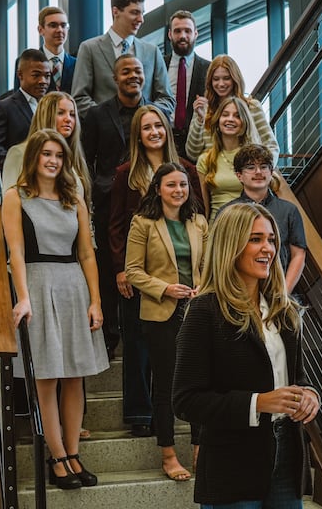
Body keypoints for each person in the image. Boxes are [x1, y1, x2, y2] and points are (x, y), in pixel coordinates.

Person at [173, 202, 320, 507]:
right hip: (232, 465)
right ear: (230, 245)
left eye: (271, 240)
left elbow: (299, 379)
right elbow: (186, 400)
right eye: (255, 239)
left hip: (287, 457)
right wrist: (258, 402)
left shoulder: (285, 310)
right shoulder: (204, 311)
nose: (268, 248)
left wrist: (309, 395)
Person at [1, 129, 109, 490]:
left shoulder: (73, 198)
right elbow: (15, 252)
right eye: (46, 154)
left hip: (73, 285)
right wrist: (23, 296)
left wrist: (95, 300)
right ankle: (57, 455)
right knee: (47, 379)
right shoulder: (15, 197)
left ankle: (74, 453)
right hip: (38, 282)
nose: (53, 161)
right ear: (34, 157)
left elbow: (87, 254)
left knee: (75, 377)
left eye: (59, 156)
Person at [108, 106, 201, 435]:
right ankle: (139, 414)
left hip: (183, 276)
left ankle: (183, 415)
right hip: (141, 273)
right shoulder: (126, 172)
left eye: (158, 126)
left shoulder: (187, 169)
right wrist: (121, 268)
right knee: (137, 344)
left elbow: (197, 216)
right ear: (138, 134)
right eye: (146, 127)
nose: (154, 132)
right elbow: (116, 224)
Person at [125, 162, 206, 482]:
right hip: (161, 314)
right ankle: (169, 453)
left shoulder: (199, 222)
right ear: (157, 188)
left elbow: (210, 263)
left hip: (197, 310)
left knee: (201, 381)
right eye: (171, 185)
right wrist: (165, 288)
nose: (178, 191)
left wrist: (204, 287)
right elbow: (133, 270)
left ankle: (200, 448)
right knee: (166, 384)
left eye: (183, 185)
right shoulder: (143, 223)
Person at [81, 54, 156, 362]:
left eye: (137, 71)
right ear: (115, 77)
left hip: (144, 201)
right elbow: (85, 157)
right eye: (126, 71)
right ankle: (111, 337)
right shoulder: (97, 115)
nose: (133, 76)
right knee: (112, 270)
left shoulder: (152, 114)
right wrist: (95, 189)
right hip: (109, 200)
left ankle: (145, 335)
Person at [70, 0, 174, 114]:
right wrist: (107, 120)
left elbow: (167, 99)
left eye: (142, 13)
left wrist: (147, 117)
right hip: (104, 131)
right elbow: (80, 98)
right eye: (135, 13)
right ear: (116, 11)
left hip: (143, 130)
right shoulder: (89, 48)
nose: (141, 19)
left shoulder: (152, 51)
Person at [225, 143, 306, 292]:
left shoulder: (289, 210)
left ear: (271, 172)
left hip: (279, 290)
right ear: (239, 175)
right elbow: (221, 255)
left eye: (264, 167)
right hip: (238, 292)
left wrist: (284, 293)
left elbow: (298, 255)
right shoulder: (228, 212)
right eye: (250, 167)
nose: (258, 172)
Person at [184, 54, 278, 164]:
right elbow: (192, 153)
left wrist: (263, 169)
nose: (221, 84)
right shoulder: (204, 109)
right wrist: (200, 119)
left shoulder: (251, 107)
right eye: (216, 79)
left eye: (226, 78)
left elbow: (271, 145)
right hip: (213, 175)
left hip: (247, 174)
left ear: (235, 79)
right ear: (210, 81)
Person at [2, 91, 91, 207]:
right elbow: (10, 204)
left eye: (72, 114)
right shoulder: (19, 153)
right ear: (46, 115)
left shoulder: (74, 157)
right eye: (61, 113)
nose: (68, 119)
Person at [0, 49, 51, 170]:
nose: (43, 81)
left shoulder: (52, 107)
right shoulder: (5, 108)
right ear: (20, 75)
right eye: (36, 75)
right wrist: (23, 166)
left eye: (47, 76)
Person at [196, 96, 256, 219]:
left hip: (249, 226)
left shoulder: (255, 158)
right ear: (218, 120)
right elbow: (204, 209)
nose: (230, 119)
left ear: (244, 122)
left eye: (237, 116)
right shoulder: (205, 160)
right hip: (217, 227)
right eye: (225, 115)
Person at [164, 10, 210, 158]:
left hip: (198, 144)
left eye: (187, 31)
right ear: (170, 34)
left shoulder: (209, 69)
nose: (182, 36)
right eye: (177, 31)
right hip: (164, 140)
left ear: (196, 34)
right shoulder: (158, 66)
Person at [13, 6, 76, 94]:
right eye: (53, 25)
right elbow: (19, 98)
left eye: (63, 25)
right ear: (40, 30)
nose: (60, 30)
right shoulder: (25, 62)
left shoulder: (77, 64)